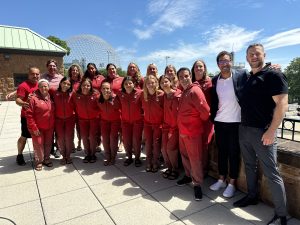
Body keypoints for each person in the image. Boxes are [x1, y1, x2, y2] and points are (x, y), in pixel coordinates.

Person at [233, 44, 288, 225]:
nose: (253, 56)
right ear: (247, 58)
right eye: (250, 54)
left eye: (257, 53)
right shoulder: (249, 77)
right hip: (245, 129)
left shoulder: (274, 75)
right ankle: (252, 196)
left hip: (263, 132)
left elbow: (282, 105)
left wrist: (272, 131)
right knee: (249, 166)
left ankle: (281, 216)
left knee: (272, 173)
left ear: (264, 55)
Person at [209, 51, 247, 198]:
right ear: (218, 64)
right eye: (221, 61)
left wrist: (271, 69)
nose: (224, 64)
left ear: (231, 62)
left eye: (227, 61)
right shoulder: (214, 80)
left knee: (233, 153)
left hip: (236, 123)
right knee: (222, 153)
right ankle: (221, 179)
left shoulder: (241, 75)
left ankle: (232, 183)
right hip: (219, 122)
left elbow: (258, 76)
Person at [176, 67, 210, 201]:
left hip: (192, 133)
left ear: (190, 76)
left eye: (186, 76)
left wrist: (194, 124)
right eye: (181, 77)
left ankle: (197, 184)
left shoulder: (195, 90)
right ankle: (188, 176)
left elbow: (206, 113)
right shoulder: (185, 91)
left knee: (195, 159)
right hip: (183, 132)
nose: (184, 79)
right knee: (185, 156)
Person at [26, 79, 55, 171]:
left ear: (48, 87)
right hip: (37, 127)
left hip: (49, 127)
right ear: (38, 87)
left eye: (45, 86)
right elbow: (29, 115)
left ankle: (46, 159)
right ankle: (39, 161)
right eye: (41, 86)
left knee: (48, 144)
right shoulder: (33, 99)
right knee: (38, 144)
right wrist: (33, 127)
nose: (43, 88)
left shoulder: (51, 97)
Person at [191, 60, 214, 177]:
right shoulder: (190, 82)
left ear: (204, 68)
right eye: (196, 66)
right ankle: (194, 169)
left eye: (201, 66)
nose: (198, 68)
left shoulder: (210, 82)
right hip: (194, 120)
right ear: (193, 69)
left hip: (207, 120)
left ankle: (203, 170)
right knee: (194, 146)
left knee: (205, 145)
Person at [15, 67, 40, 166]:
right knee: (24, 136)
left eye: (37, 74)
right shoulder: (23, 86)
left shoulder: (41, 84)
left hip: (39, 117)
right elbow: (17, 100)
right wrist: (24, 103)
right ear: (28, 75)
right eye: (32, 74)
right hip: (27, 117)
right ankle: (19, 155)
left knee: (38, 136)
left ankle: (39, 155)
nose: (35, 76)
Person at [72, 78, 100, 163]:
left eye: (88, 85)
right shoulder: (76, 95)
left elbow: (100, 105)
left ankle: (93, 154)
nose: (86, 87)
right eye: (84, 85)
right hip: (82, 119)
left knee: (92, 137)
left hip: (94, 119)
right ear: (81, 86)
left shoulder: (96, 94)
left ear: (91, 87)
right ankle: (87, 154)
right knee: (84, 137)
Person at [159, 75, 181, 180]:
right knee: (163, 149)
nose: (164, 84)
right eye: (162, 82)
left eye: (166, 81)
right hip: (166, 126)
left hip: (176, 127)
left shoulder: (178, 95)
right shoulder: (163, 96)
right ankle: (169, 167)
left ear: (170, 82)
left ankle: (175, 169)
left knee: (171, 148)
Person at [118, 76, 144, 167]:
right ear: (123, 85)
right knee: (127, 140)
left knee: (136, 140)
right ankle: (129, 157)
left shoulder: (140, 93)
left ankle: (137, 158)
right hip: (125, 122)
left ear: (134, 84)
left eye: (130, 83)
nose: (128, 85)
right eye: (126, 84)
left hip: (137, 121)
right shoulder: (120, 94)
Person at [141, 75, 164, 172]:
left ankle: (156, 162)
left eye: (153, 82)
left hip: (158, 124)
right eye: (148, 83)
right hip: (147, 124)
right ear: (145, 84)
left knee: (156, 143)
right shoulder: (143, 95)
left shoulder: (161, 94)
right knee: (148, 143)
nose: (150, 85)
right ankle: (149, 162)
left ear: (156, 83)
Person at [53, 77, 75, 165]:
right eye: (64, 83)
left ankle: (68, 156)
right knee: (61, 138)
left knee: (69, 138)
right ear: (60, 83)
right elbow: (41, 89)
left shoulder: (72, 94)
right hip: (58, 119)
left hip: (70, 119)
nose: (66, 85)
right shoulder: (54, 92)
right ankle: (63, 156)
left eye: (68, 84)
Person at [98, 82, 121, 166]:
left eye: (107, 88)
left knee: (113, 138)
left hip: (115, 121)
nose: (105, 90)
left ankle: (113, 157)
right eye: (103, 88)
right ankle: (108, 156)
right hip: (104, 122)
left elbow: (121, 108)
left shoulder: (115, 98)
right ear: (100, 90)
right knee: (105, 139)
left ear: (111, 90)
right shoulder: (99, 99)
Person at [68, 64, 83, 151]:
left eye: (76, 70)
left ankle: (79, 143)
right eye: (73, 70)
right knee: (70, 128)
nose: (75, 72)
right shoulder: (67, 81)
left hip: (79, 108)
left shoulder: (82, 82)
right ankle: (71, 143)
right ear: (70, 71)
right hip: (69, 108)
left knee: (79, 127)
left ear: (79, 72)